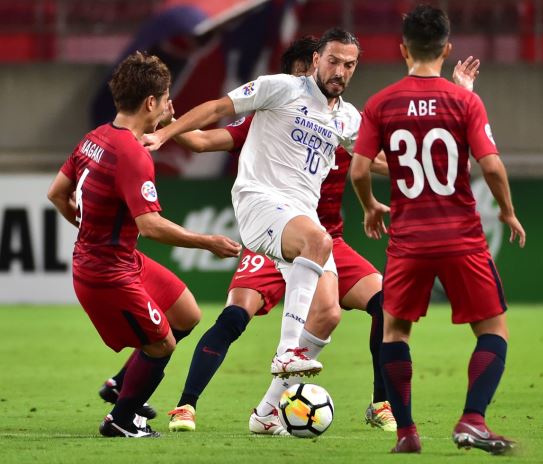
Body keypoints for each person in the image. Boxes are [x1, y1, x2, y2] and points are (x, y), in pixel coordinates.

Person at [152, 36, 395, 435]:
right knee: (303, 255)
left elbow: (372, 160)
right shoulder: (280, 89)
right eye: (333, 61)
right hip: (260, 203)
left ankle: (266, 413)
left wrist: (424, 171)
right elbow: (216, 110)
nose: (340, 71)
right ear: (316, 60)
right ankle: (282, 356)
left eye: (349, 65)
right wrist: (164, 133)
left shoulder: (349, 118)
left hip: (304, 222)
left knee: (328, 314)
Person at [350, 5, 526, 455]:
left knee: (396, 332)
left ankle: (407, 433)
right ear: (448, 48)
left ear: (402, 47)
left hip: (409, 239)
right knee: (494, 329)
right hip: (461, 236)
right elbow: (491, 165)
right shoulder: (466, 101)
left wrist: (370, 205)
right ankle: (472, 418)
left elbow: (357, 169)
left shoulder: (380, 103)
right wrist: (506, 211)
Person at [47, 51, 241, 438]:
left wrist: (92, 231)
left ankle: (122, 384)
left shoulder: (95, 138)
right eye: (167, 98)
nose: (171, 106)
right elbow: (150, 225)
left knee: (186, 313)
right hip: (106, 274)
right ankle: (120, 419)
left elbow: (57, 193)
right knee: (162, 345)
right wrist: (208, 243)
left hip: (119, 258)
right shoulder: (132, 154)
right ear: (151, 102)